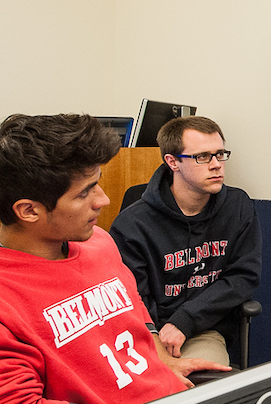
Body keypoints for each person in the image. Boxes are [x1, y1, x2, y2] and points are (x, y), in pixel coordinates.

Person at [0, 114, 229, 404]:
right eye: (85, 193)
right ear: (29, 210)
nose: (103, 200)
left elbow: (135, 315)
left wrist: (161, 365)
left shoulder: (100, 243)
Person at [110, 116, 261, 368]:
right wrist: (156, 340)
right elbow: (132, 296)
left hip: (201, 328)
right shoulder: (132, 224)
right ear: (172, 162)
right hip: (143, 334)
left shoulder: (237, 207)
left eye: (220, 154)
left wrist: (186, 320)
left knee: (204, 389)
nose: (216, 165)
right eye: (203, 157)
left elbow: (243, 277)